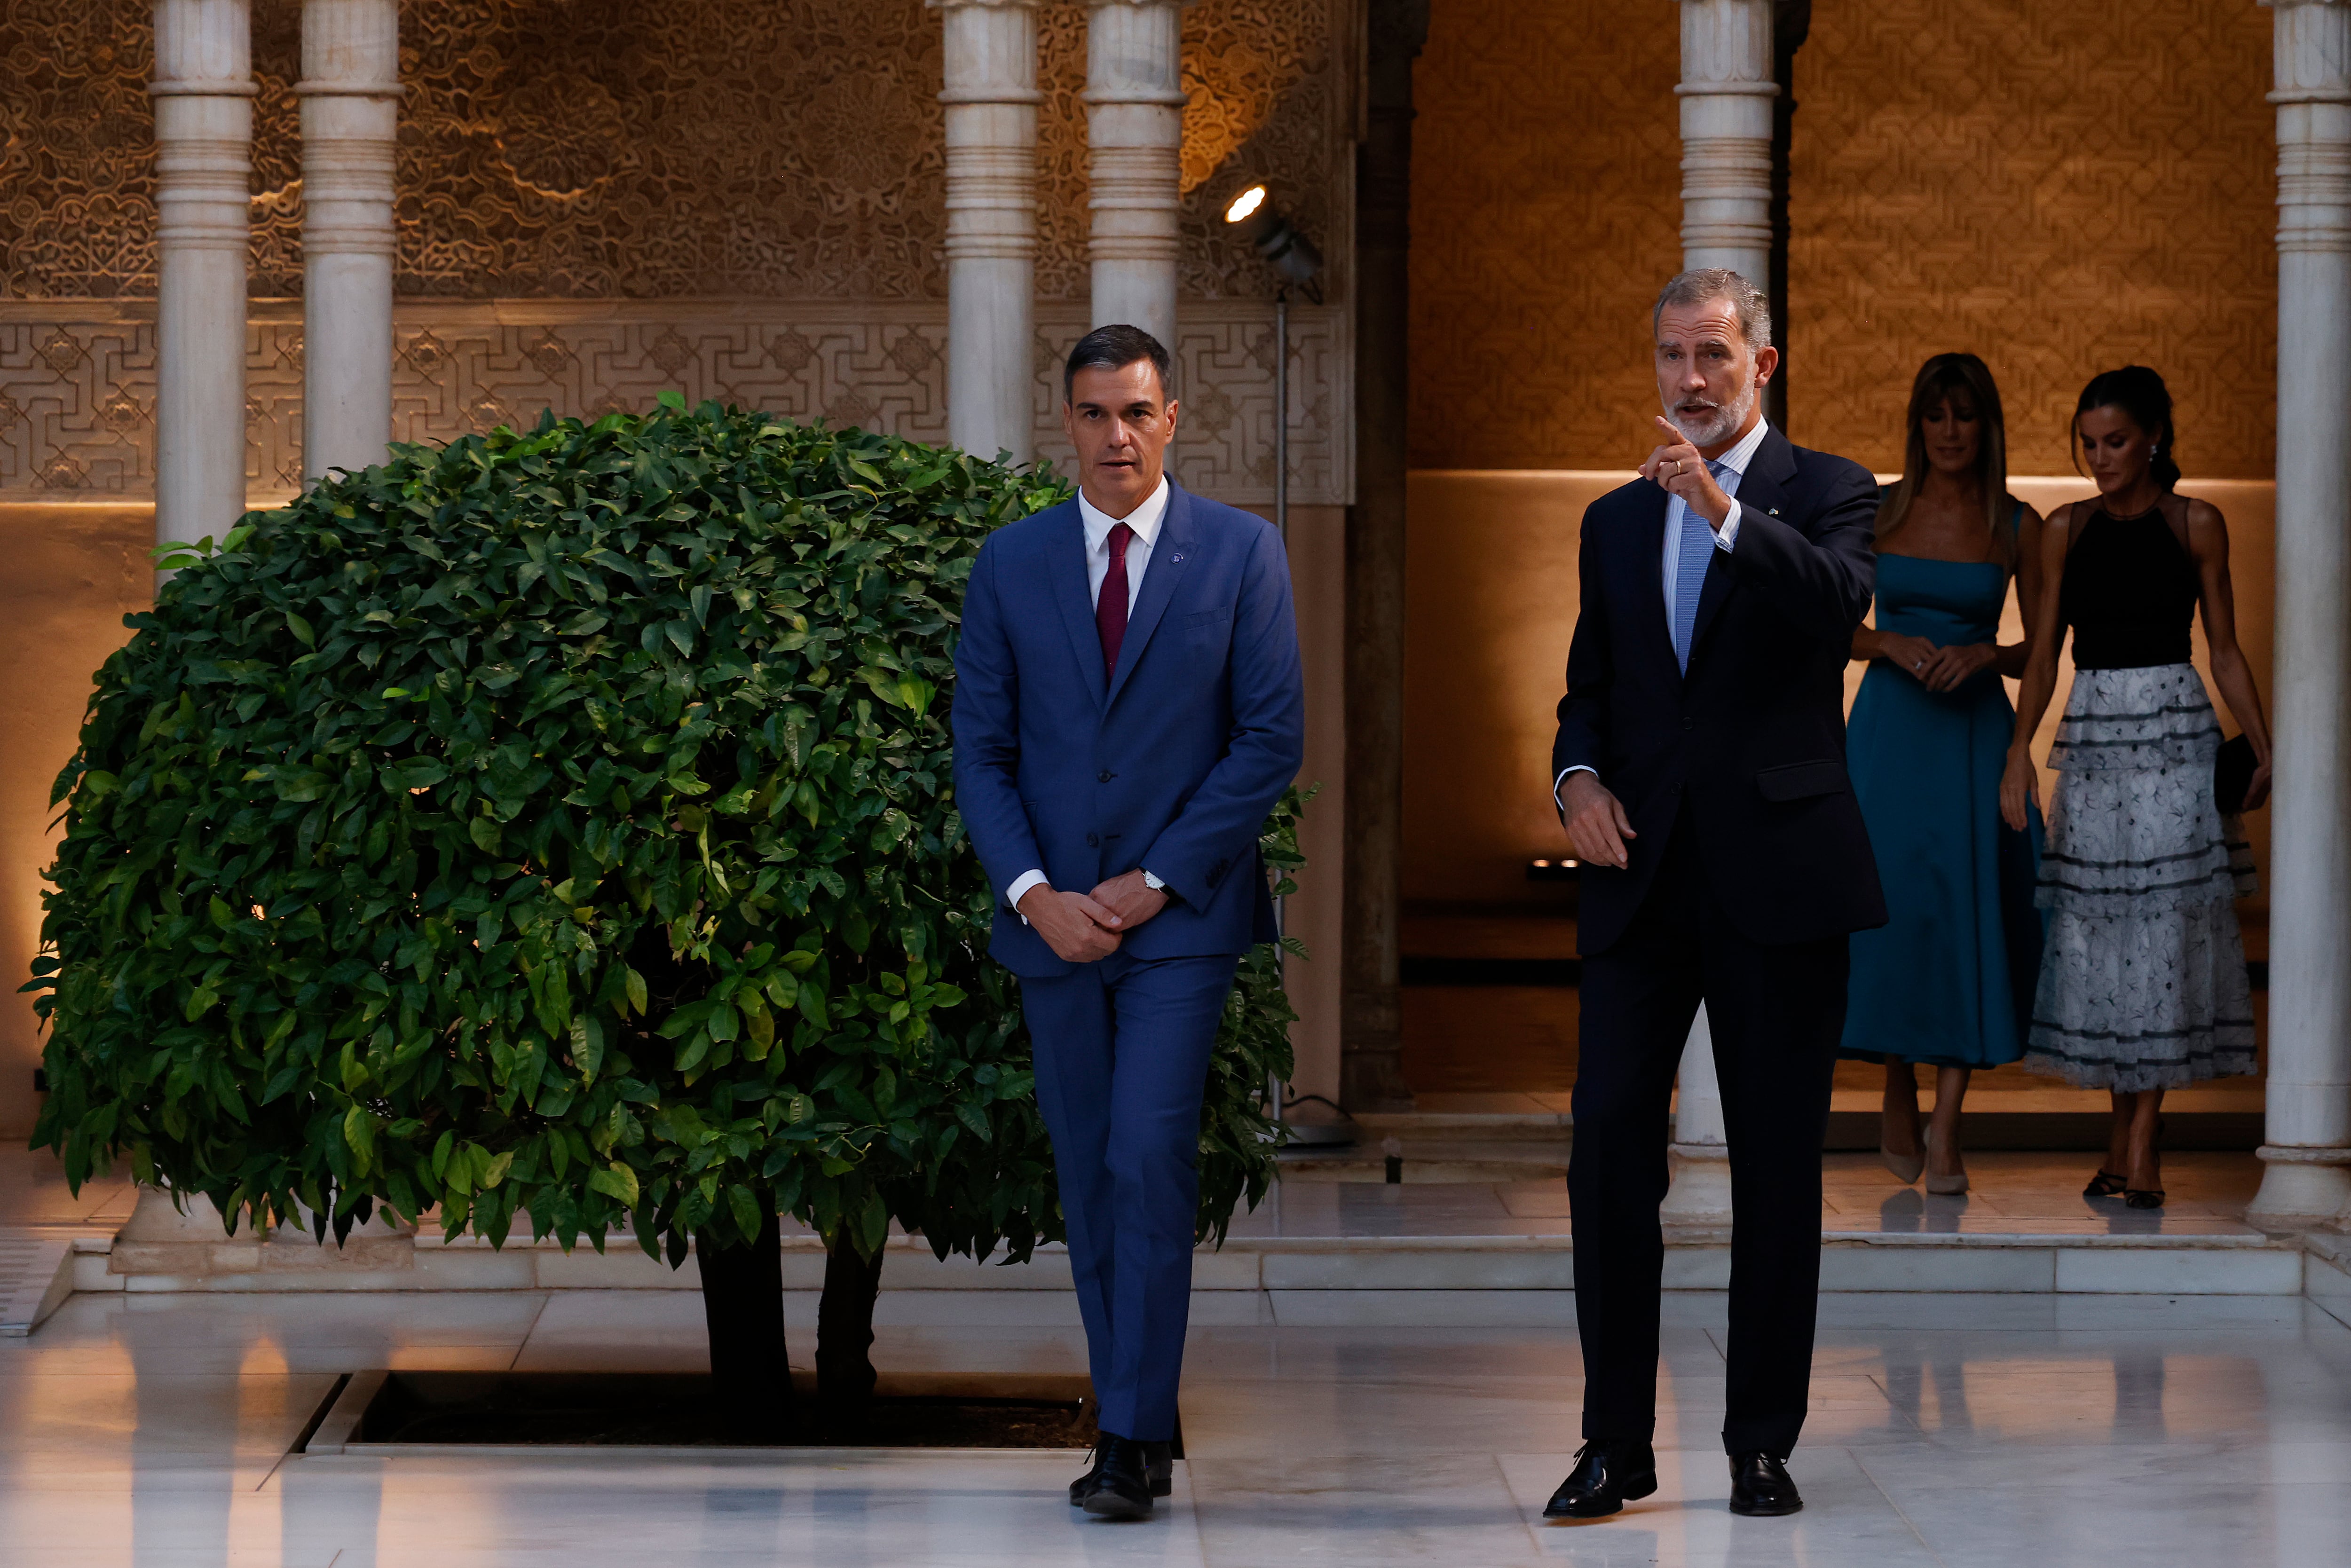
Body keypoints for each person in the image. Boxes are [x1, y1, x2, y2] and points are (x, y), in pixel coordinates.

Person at [951, 324, 1304, 1521]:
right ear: (1068, 423)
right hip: (1051, 925)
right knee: (1090, 1175)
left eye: (1138, 412)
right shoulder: (1011, 562)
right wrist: (1032, 893)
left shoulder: (1243, 552)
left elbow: (1269, 739)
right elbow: (981, 750)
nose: (1118, 435)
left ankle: (1131, 1437)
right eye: (1096, 414)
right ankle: (1131, 1419)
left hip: (1178, 924)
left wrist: (1154, 879)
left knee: (1147, 1158)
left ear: (1172, 419)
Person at [1548, 269, 1884, 1521]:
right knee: (1606, 1154)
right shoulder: (1612, 522)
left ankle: (1758, 1444)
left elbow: (1838, 604)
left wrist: (1722, 509)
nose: (1689, 379)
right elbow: (1590, 689)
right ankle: (1613, 1444)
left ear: (1762, 364)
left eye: (1713, 355)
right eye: (1671, 355)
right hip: (1639, 879)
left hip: (1780, 875)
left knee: (1776, 1166)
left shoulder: (1831, 490)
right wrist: (1576, 777)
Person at [2000, 366, 2269, 1210]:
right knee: (2105, 945)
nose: (2100, 458)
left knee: (2164, 943)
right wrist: (2017, 753)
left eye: (2115, 442)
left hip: (2176, 743)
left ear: (2154, 438)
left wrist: (2267, 747)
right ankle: (2123, 1144)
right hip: (2092, 747)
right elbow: (2043, 656)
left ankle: (2144, 1145)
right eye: (2088, 444)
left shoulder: (2197, 522)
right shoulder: (2065, 530)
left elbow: (2225, 650)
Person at [1843, 353, 2048, 1196]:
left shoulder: (2019, 524)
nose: (1951, 431)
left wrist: (1987, 656)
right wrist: (1884, 642)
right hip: (1887, 736)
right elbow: (1821, 618)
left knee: (1967, 916)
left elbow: (2044, 649)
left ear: (1987, 425)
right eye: (1936, 415)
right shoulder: (1875, 509)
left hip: (1973, 737)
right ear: (1918, 423)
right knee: (1889, 912)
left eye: (1966, 415)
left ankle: (1949, 1125)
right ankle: (1896, 1081)